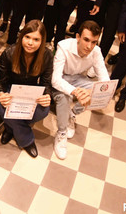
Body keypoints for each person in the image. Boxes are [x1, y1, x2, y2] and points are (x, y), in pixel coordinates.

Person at [51, 21, 109, 160]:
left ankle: (73, 113)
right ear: (78, 37)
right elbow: (55, 80)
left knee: (100, 92)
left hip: (78, 79)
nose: (89, 46)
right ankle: (62, 133)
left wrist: (90, 92)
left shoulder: (96, 52)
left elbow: (105, 81)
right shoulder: (63, 46)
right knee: (64, 99)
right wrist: (77, 92)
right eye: (86, 40)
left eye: (94, 42)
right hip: (62, 79)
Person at [0, 20, 53, 157]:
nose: (30, 43)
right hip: (11, 88)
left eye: (36, 39)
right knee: (2, 108)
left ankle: (11, 127)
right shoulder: (9, 53)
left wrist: (47, 95)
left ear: (42, 41)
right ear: (21, 36)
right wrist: (1, 94)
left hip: (32, 90)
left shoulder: (47, 55)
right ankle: (26, 139)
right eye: (27, 37)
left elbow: (46, 83)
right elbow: (0, 82)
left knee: (43, 111)